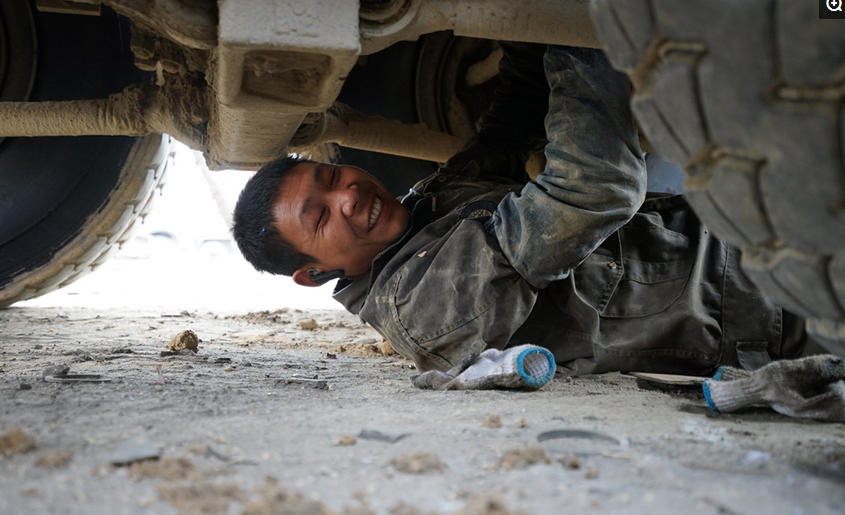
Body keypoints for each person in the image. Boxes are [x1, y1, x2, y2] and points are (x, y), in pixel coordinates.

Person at [232, 44, 806, 377]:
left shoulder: (425, 210)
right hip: (772, 306)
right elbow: (593, 190)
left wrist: (529, 29)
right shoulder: (421, 308)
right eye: (321, 217)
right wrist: (580, 33)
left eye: (332, 177)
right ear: (313, 273)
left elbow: (509, 125)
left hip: (752, 237)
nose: (348, 196)